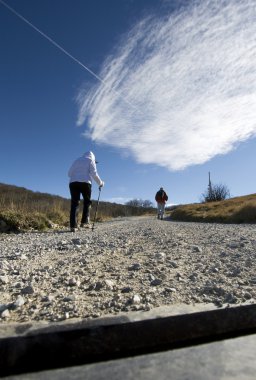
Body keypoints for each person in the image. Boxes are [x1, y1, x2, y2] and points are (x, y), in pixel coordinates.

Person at [68, 151, 104, 232]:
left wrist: (77, 175)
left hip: (73, 183)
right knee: (87, 202)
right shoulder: (90, 160)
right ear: (93, 158)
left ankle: (73, 226)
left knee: (75, 203)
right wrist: (100, 183)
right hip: (85, 183)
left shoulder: (76, 160)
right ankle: (84, 222)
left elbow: (69, 174)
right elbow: (94, 174)